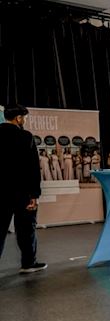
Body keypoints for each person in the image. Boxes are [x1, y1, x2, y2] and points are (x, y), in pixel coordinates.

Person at [0, 104, 47, 273]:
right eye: (25, 117)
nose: (25, 120)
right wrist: (35, 194)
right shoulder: (25, 137)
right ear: (18, 118)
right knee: (26, 229)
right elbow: (33, 168)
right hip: (23, 193)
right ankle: (28, 263)